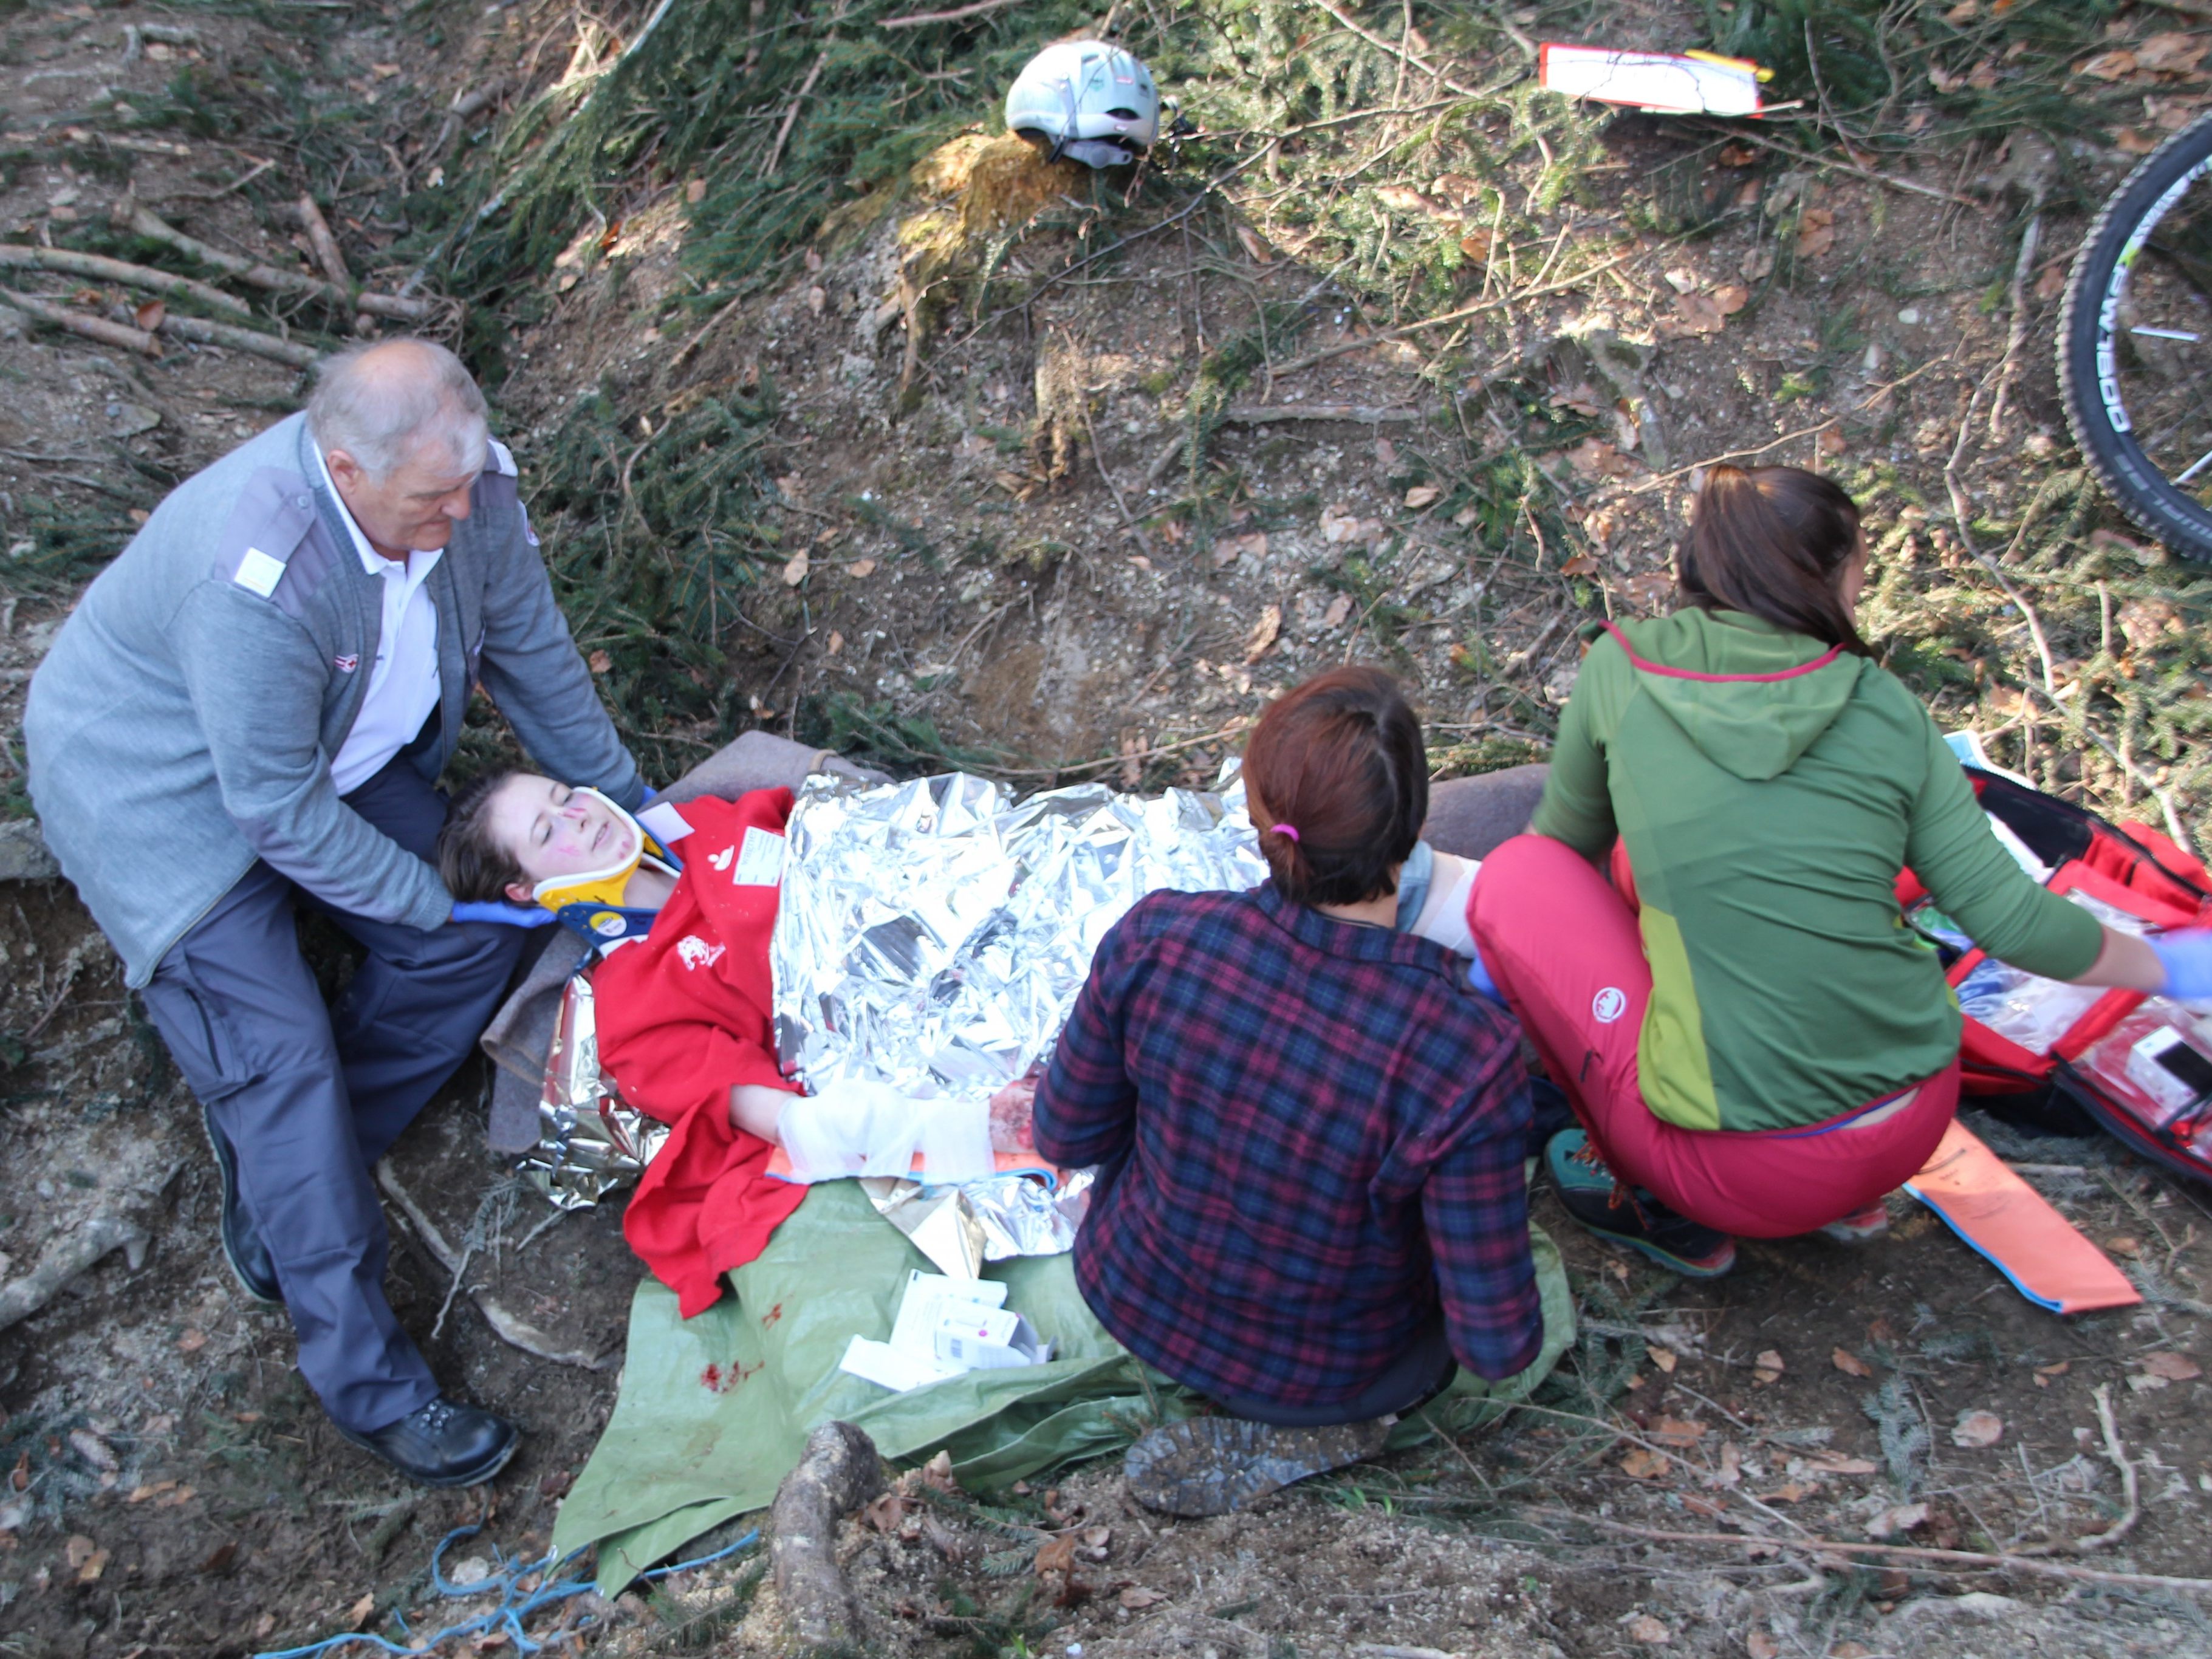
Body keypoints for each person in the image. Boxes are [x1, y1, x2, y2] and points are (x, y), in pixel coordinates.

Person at [25, 339, 646, 1488]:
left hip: (329, 747)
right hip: (163, 794)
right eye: (432, 498)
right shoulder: (256, 574)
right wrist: (423, 899)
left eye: (469, 483)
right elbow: (266, 805)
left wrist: (640, 809)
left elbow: (533, 652)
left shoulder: (470, 489)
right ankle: (370, 1382)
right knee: (284, 1059)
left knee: (459, 956)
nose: (463, 511)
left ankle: (291, 1168)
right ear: (343, 468)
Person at [1470, 465, 2212, 1278]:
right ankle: (1845, 1199)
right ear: (1820, 576)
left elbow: (1558, 852)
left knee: (1516, 874)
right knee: (1634, 867)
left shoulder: (1623, 671)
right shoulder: (1885, 705)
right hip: (1912, 1118)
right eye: (1861, 565)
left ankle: (1642, 1194)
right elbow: (2011, 919)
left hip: (1734, 1172)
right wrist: (2168, 965)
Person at [1030, 666, 1547, 1518]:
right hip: (1331, 1373)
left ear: (1261, 818)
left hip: (1133, 1294)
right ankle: (1327, 1433)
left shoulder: (1158, 936)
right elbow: (1495, 1343)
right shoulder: (1464, 1052)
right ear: (1412, 830)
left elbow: (1064, 1133)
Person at [436, 750, 1029, 1318]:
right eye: (545, 833)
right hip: (925, 1062)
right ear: (523, 889)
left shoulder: (706, 819)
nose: (578, 816)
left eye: (565, 797)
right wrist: (969, 1128)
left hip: (979, 938)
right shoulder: (632, 1007)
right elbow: (801, 1127)